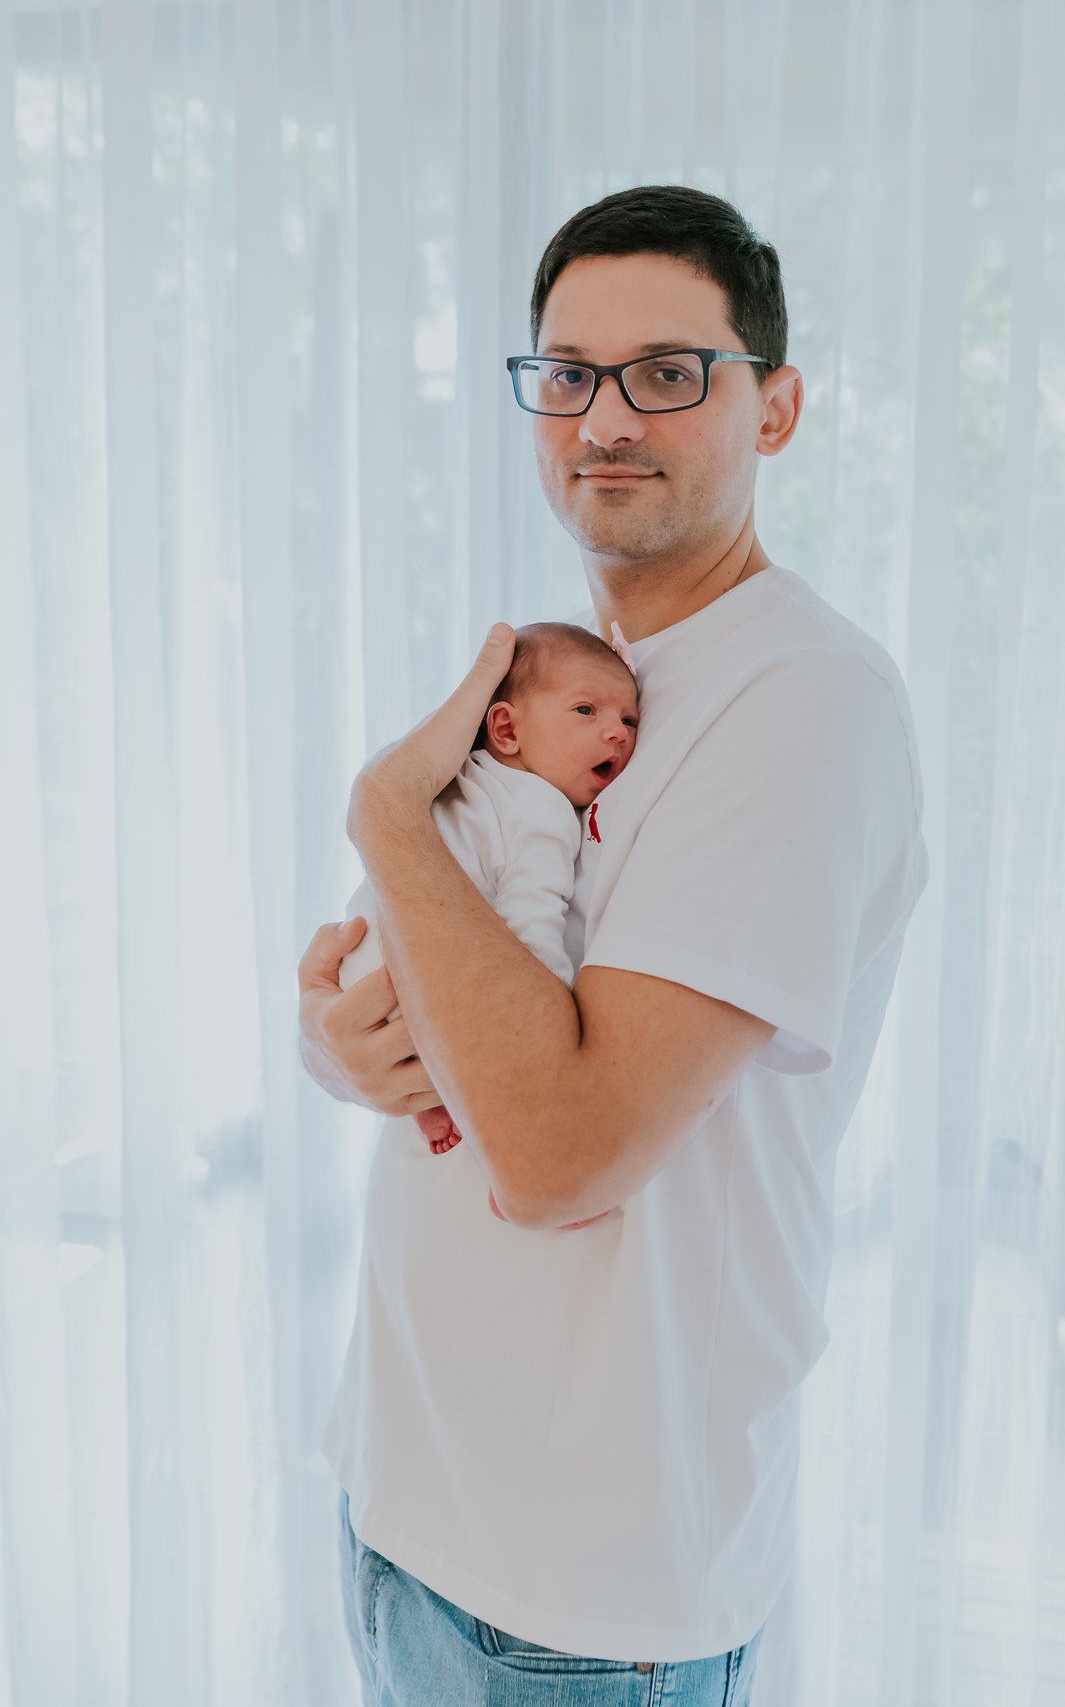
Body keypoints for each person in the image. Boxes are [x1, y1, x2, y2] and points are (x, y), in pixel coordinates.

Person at [298, 185, 928, 1706]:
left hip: (579, 1599)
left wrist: (385, 808)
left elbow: (563, 1149)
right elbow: (435, 986)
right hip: (406, 1503)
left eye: (667, 371)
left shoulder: (801, 702)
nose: (604, 415)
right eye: (566, 371)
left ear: (774, 408)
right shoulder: (572, 678)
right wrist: (335, 1042)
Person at [337, 621, 639, 1155]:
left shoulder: (461, 773)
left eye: (629, 718)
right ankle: (466, 1123)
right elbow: (531, 926)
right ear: (505, 729)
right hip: (416, 986)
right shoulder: (544, 809)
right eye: (586, 711)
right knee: (480, 1067)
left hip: (357, 964)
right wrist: (554, 1027)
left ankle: (431, 1106)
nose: (617, 732)